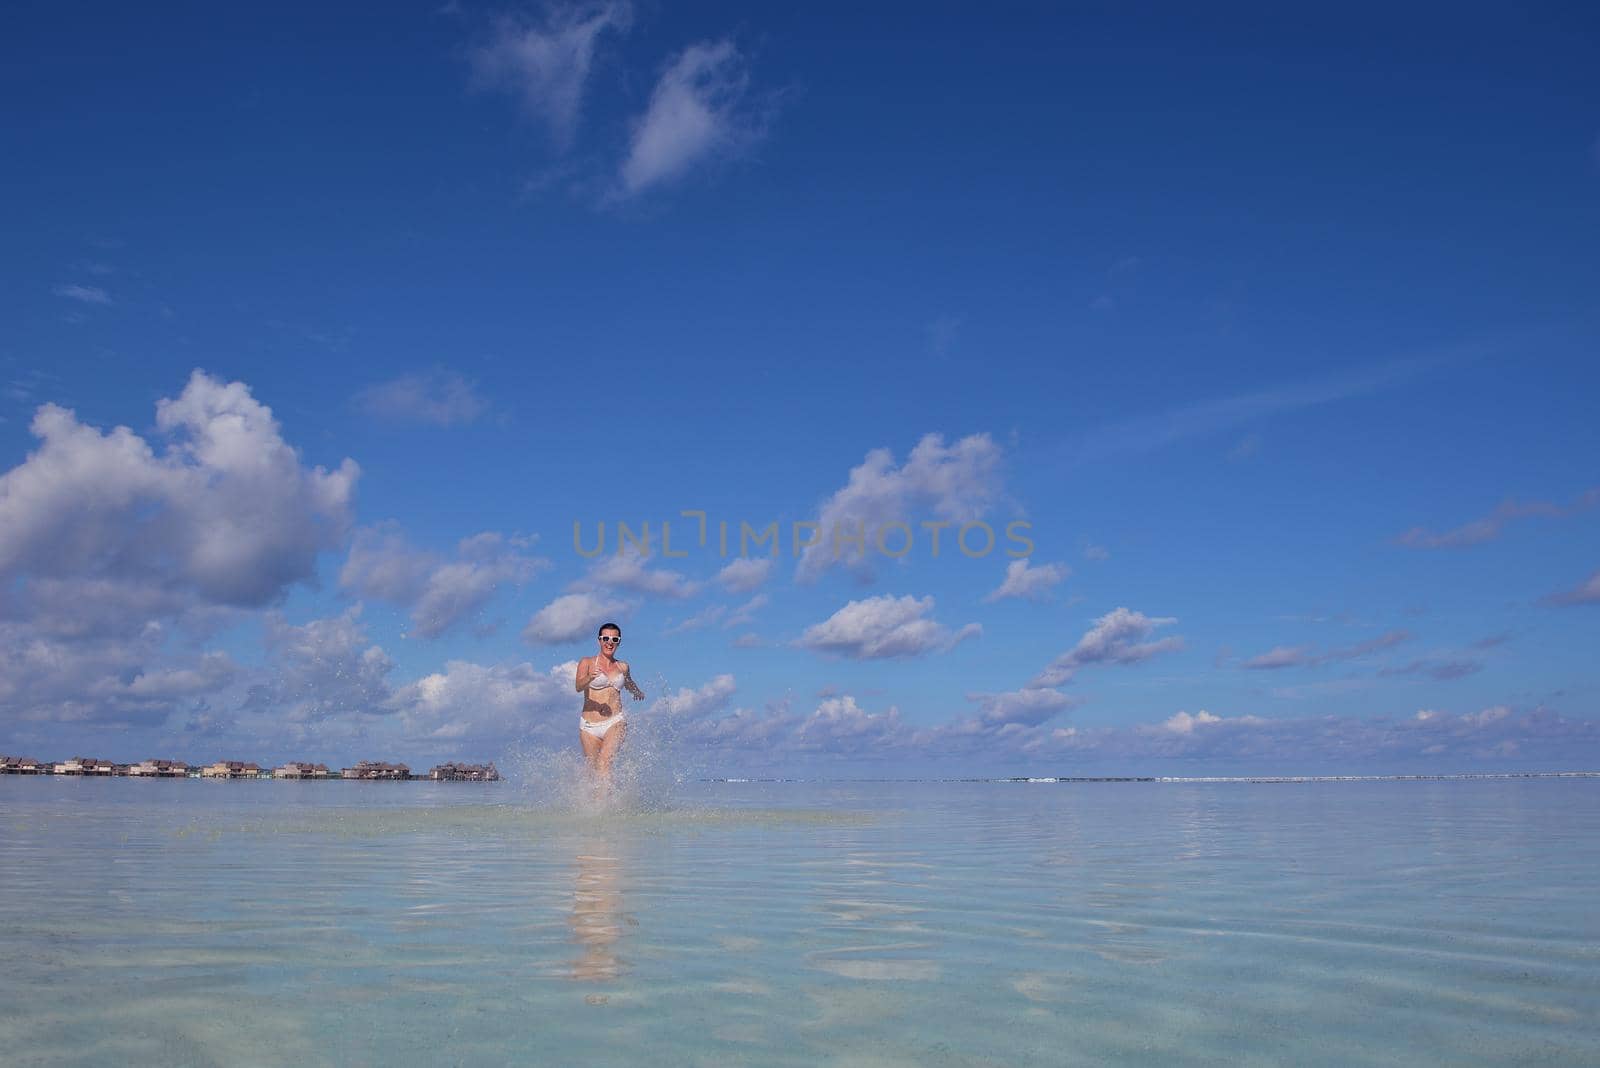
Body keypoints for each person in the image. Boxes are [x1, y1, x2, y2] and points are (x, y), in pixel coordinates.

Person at [575, 623, 644, 779]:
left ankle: (607, 804)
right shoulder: (586, 662)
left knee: (605, 762)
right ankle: (597, 802)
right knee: (593, 772)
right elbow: (578, 686)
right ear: (599, 640)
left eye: (614, 639)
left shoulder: (623, 667)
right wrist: (589, 677)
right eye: (606, 638)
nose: (609, 642)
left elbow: (629, 683)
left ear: (619, 642)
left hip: (615, 721)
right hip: (589, 726)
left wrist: (637, 692)